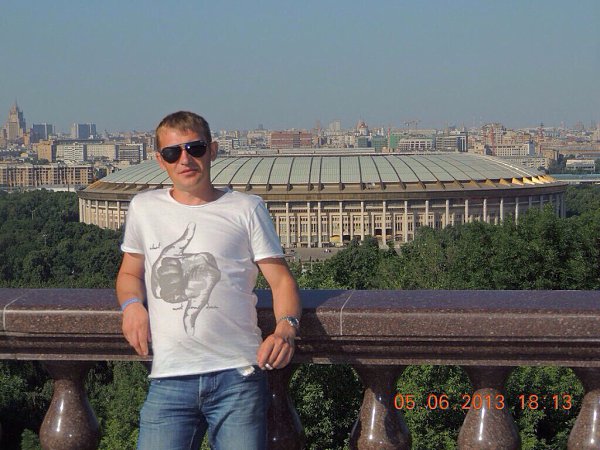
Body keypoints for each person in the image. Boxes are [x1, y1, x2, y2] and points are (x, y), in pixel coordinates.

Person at [116, 111, 301, 450]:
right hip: (169, 377)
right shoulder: (144, 208)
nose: (185, 159)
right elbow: (129, 273)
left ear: (212, 150)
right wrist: (131, 305)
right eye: (172, 152)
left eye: (195, 148)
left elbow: (281, 281)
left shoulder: (246, 208)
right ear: (160, 160)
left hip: (238, 375)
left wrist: (285, 329)